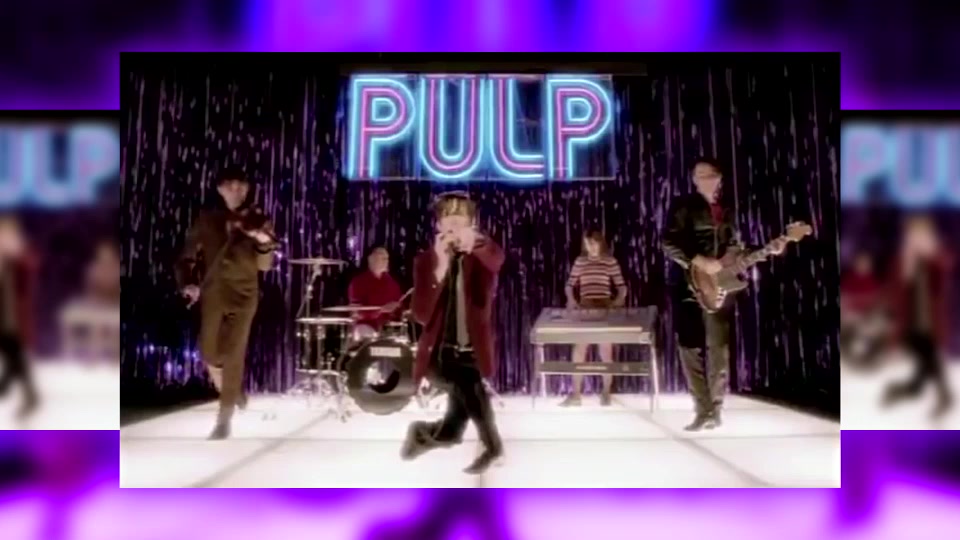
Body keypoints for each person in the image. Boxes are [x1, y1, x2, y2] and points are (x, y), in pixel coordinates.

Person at [662, 157, 787, 431]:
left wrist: (768, 249)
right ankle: (702, 409)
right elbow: (668, 241)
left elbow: (735, 249)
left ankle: (715, 410)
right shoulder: (683, 206)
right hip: (687, 283)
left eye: (707, 174)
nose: (702, 179)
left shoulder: (729, 211)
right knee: (689, 347)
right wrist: (697, 260)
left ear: (718, 178)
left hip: (721, 284)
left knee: (718, 348)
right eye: (697, 175)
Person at [401, 192, 505, 474]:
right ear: (438, 226)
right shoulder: (426, 261)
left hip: (472, 352)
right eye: (449, 221)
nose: (455, 226)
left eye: (461, 221)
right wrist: (441, 267)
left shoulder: (480, 256)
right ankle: (494, 447)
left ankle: (422, 433)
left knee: (453, 430)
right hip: (440, 356)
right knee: (469, 387)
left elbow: (497, 260)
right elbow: (421, 314)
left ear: (472, 224)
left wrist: (477, 242)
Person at [175, 166, 278, 439]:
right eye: (231, 185)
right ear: (220, 189)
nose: (237, 190)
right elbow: (187, 255)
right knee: (209, 352)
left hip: (244, 293)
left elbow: (265, 265)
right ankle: (233, 391)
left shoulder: (259, 218)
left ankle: (224, 417)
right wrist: (188, 282)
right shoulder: (207, 219)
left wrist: (262, 240)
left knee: (234, 352)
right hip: (214, 292)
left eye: (241, 185)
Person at [884, 215, 953, 418]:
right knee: (925, 358)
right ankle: (916, 389)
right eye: (913, 234)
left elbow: (944, 271)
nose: (916, 238)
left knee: (928, 356)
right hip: (910, 319)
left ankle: (937, 394)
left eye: (921, 233)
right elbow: (896, 288)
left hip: (929, 319)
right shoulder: (904, 259)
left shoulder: (934, 258)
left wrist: (930, 255)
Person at [560, 230, 627, 407]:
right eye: (588, 244)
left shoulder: (610, 261)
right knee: (579, 351)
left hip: (604, 307)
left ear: (600, 243)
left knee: (606, 352)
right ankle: (576, 395)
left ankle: (606, 393)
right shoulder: (580, 262)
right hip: (585, 307)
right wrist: (572, 300)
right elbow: (569, 285)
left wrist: (616, 303)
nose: (592, 247)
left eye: (594, 243)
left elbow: (621, 287)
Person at [0, 215, 39, 419]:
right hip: (5, 313)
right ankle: (10, 386)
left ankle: (27, 394)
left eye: (7, 232)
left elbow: (30, 270)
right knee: (11, 352)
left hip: (13, 315)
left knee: (13, 351)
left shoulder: (20, 255)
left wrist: (14, 257)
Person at [347, 246, 404, 340]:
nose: (386, 261)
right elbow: (356, 311)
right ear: (371, 259)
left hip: (388, 327)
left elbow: (399, 308)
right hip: (365, 326)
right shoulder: (358, 282)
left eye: (387, 258)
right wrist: (381, 310)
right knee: (364, 333)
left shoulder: (393, 284)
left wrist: (398, 308)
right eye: (382, 257)